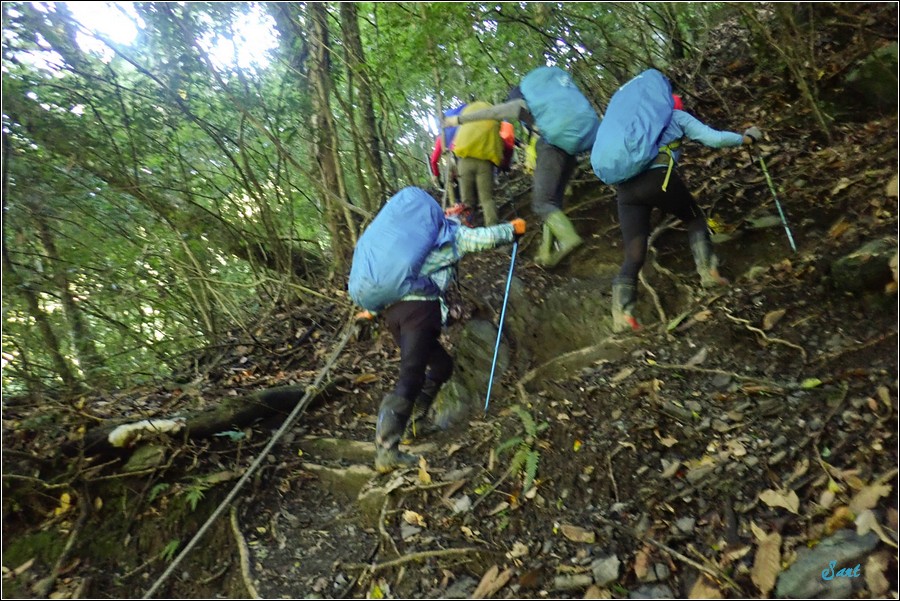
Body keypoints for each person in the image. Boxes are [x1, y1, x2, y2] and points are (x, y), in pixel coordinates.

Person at [355, 188, 526, 473]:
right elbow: (482, 239)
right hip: (418, 312)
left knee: (442, 365)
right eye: (463, 215)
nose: (462, 216)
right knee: (410, 376)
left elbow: (401, 274)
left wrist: (370, 311)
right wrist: (512, 229)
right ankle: (386, 450)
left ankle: (414, 423)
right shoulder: (450, 233)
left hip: (395, 313)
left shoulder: (414, 239)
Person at [609, 92, 762, 332]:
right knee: (694, 217)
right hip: (657, 179)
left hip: (625, 190)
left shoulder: (634, 123)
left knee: (634, 252)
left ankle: (622, 315)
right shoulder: (676, 116)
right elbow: (713, 139)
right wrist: (746, 139)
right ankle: (709, 274)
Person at [443, 66, 600, 268]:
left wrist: (456, 120)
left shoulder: (520, 103)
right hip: (570, 150)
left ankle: (568, 238)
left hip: (552, 147)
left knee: (541, 204)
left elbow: (491, 112)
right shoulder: (550, 106)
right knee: (553, 203)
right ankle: (545, 254)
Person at [450, 101, 516, 225]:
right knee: (487, 199)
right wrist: (503, 164)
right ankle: (492, 228)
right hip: (485, 164)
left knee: (467, 201)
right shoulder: (492, 123)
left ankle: (469, 228)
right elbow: (500, 146)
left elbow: (454, 145)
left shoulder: (466, 123)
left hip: (464, 162)